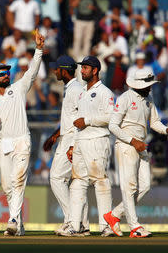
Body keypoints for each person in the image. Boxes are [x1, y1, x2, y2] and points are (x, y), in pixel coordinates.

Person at [0, 29, 44, 236]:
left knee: (18, 180)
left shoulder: (17, 89)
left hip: (21, 140)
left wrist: (38, 50)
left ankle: (13, 219)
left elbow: (32, 72)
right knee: (7, 185)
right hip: (3, 143)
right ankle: (19, 224)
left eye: (7, 72)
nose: (5, 75)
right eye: (1, 73)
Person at [104, 68, 168, 238]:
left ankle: (114, 215)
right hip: (126, 145)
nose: (151, 88)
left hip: (141, 145)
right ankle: (134, 226)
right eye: (148, 85)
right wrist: (132, 141)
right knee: (130, 187)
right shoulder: (125, 98)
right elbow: (113, 125)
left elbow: (155, 122)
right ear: (139, 84)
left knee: (145, 186)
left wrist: (167, 130)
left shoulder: (148, 98)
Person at [66, 56, 115, 237]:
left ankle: (106, 225)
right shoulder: (82, 93)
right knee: (77, 182)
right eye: (81, 67)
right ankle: (75, 225)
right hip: (81, 141)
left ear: (95, 70)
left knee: (100, 181)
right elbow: (76, 123)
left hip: (97, 140)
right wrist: (72, 144)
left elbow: (111, 117)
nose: (82, 70)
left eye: (86, 67)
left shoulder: (105, 92)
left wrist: (87, 121)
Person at [42, 56, 89, 236]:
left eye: (57, 69)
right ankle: (82, 224)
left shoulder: (75, 89)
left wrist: (74, 144)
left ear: (63, 70)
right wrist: (55, 136)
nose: (54, 72)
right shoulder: (72, 88)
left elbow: (81, 118)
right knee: (75, 183)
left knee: (56, 178)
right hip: (67, 138)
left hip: (72, 140)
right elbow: (71, 118)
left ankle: (72, 221)